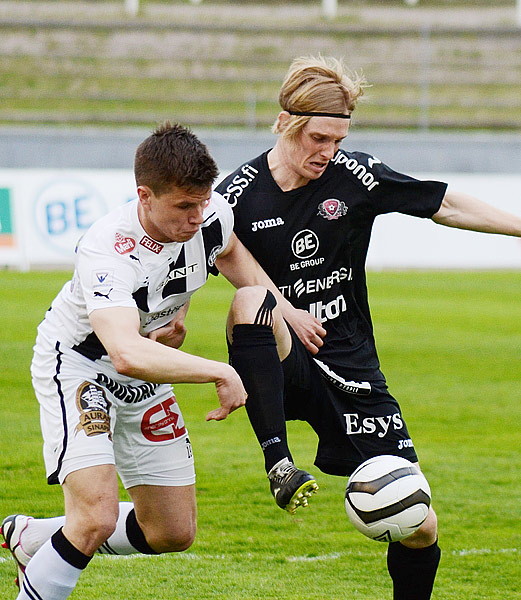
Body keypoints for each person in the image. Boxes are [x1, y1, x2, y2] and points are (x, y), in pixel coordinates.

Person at [214, 55, 521, 600]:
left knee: (418, 523)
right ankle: (277, 460)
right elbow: (200, 256)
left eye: (337, 139)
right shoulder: (236, 195)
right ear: (284, 120)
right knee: (250, 301)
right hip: (281, 358)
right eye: (318, 138)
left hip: (352, 366)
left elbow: (444, 203)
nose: (327, 152)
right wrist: (281, 310)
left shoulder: (355, 175)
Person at [0, 121, 286, 600]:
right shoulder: (109, 248)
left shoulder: (212, 213)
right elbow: (126, 352)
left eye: (202, 201)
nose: (197, 216)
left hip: (149, 368)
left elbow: (230, 251)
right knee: (95, 517)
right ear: (144, 196)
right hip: (82, 367)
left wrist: (284, 310)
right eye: (183, 206)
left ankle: (34, 538)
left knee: (172, 532)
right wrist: (220, 369)